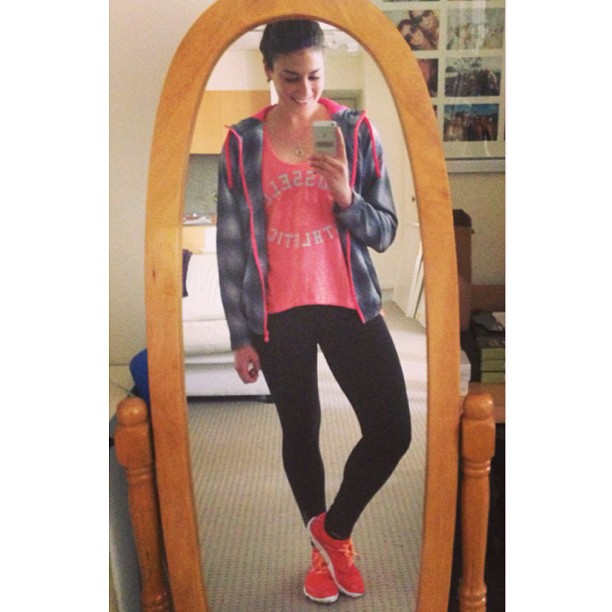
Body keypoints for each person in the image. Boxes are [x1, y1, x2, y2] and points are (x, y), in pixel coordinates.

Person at [216, 20, 411, 604]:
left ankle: (335, 531)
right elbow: (231, 245)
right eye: (290, 77)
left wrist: (346, 196)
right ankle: (321, 553)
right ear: (268, 71)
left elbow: (386, 232)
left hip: (349, 301)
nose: (304, 90)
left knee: (392, 430)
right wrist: (239, 335)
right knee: (301, 432)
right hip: (277, 314)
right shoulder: (243, 142)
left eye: (315, 76)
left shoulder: (354, 130)